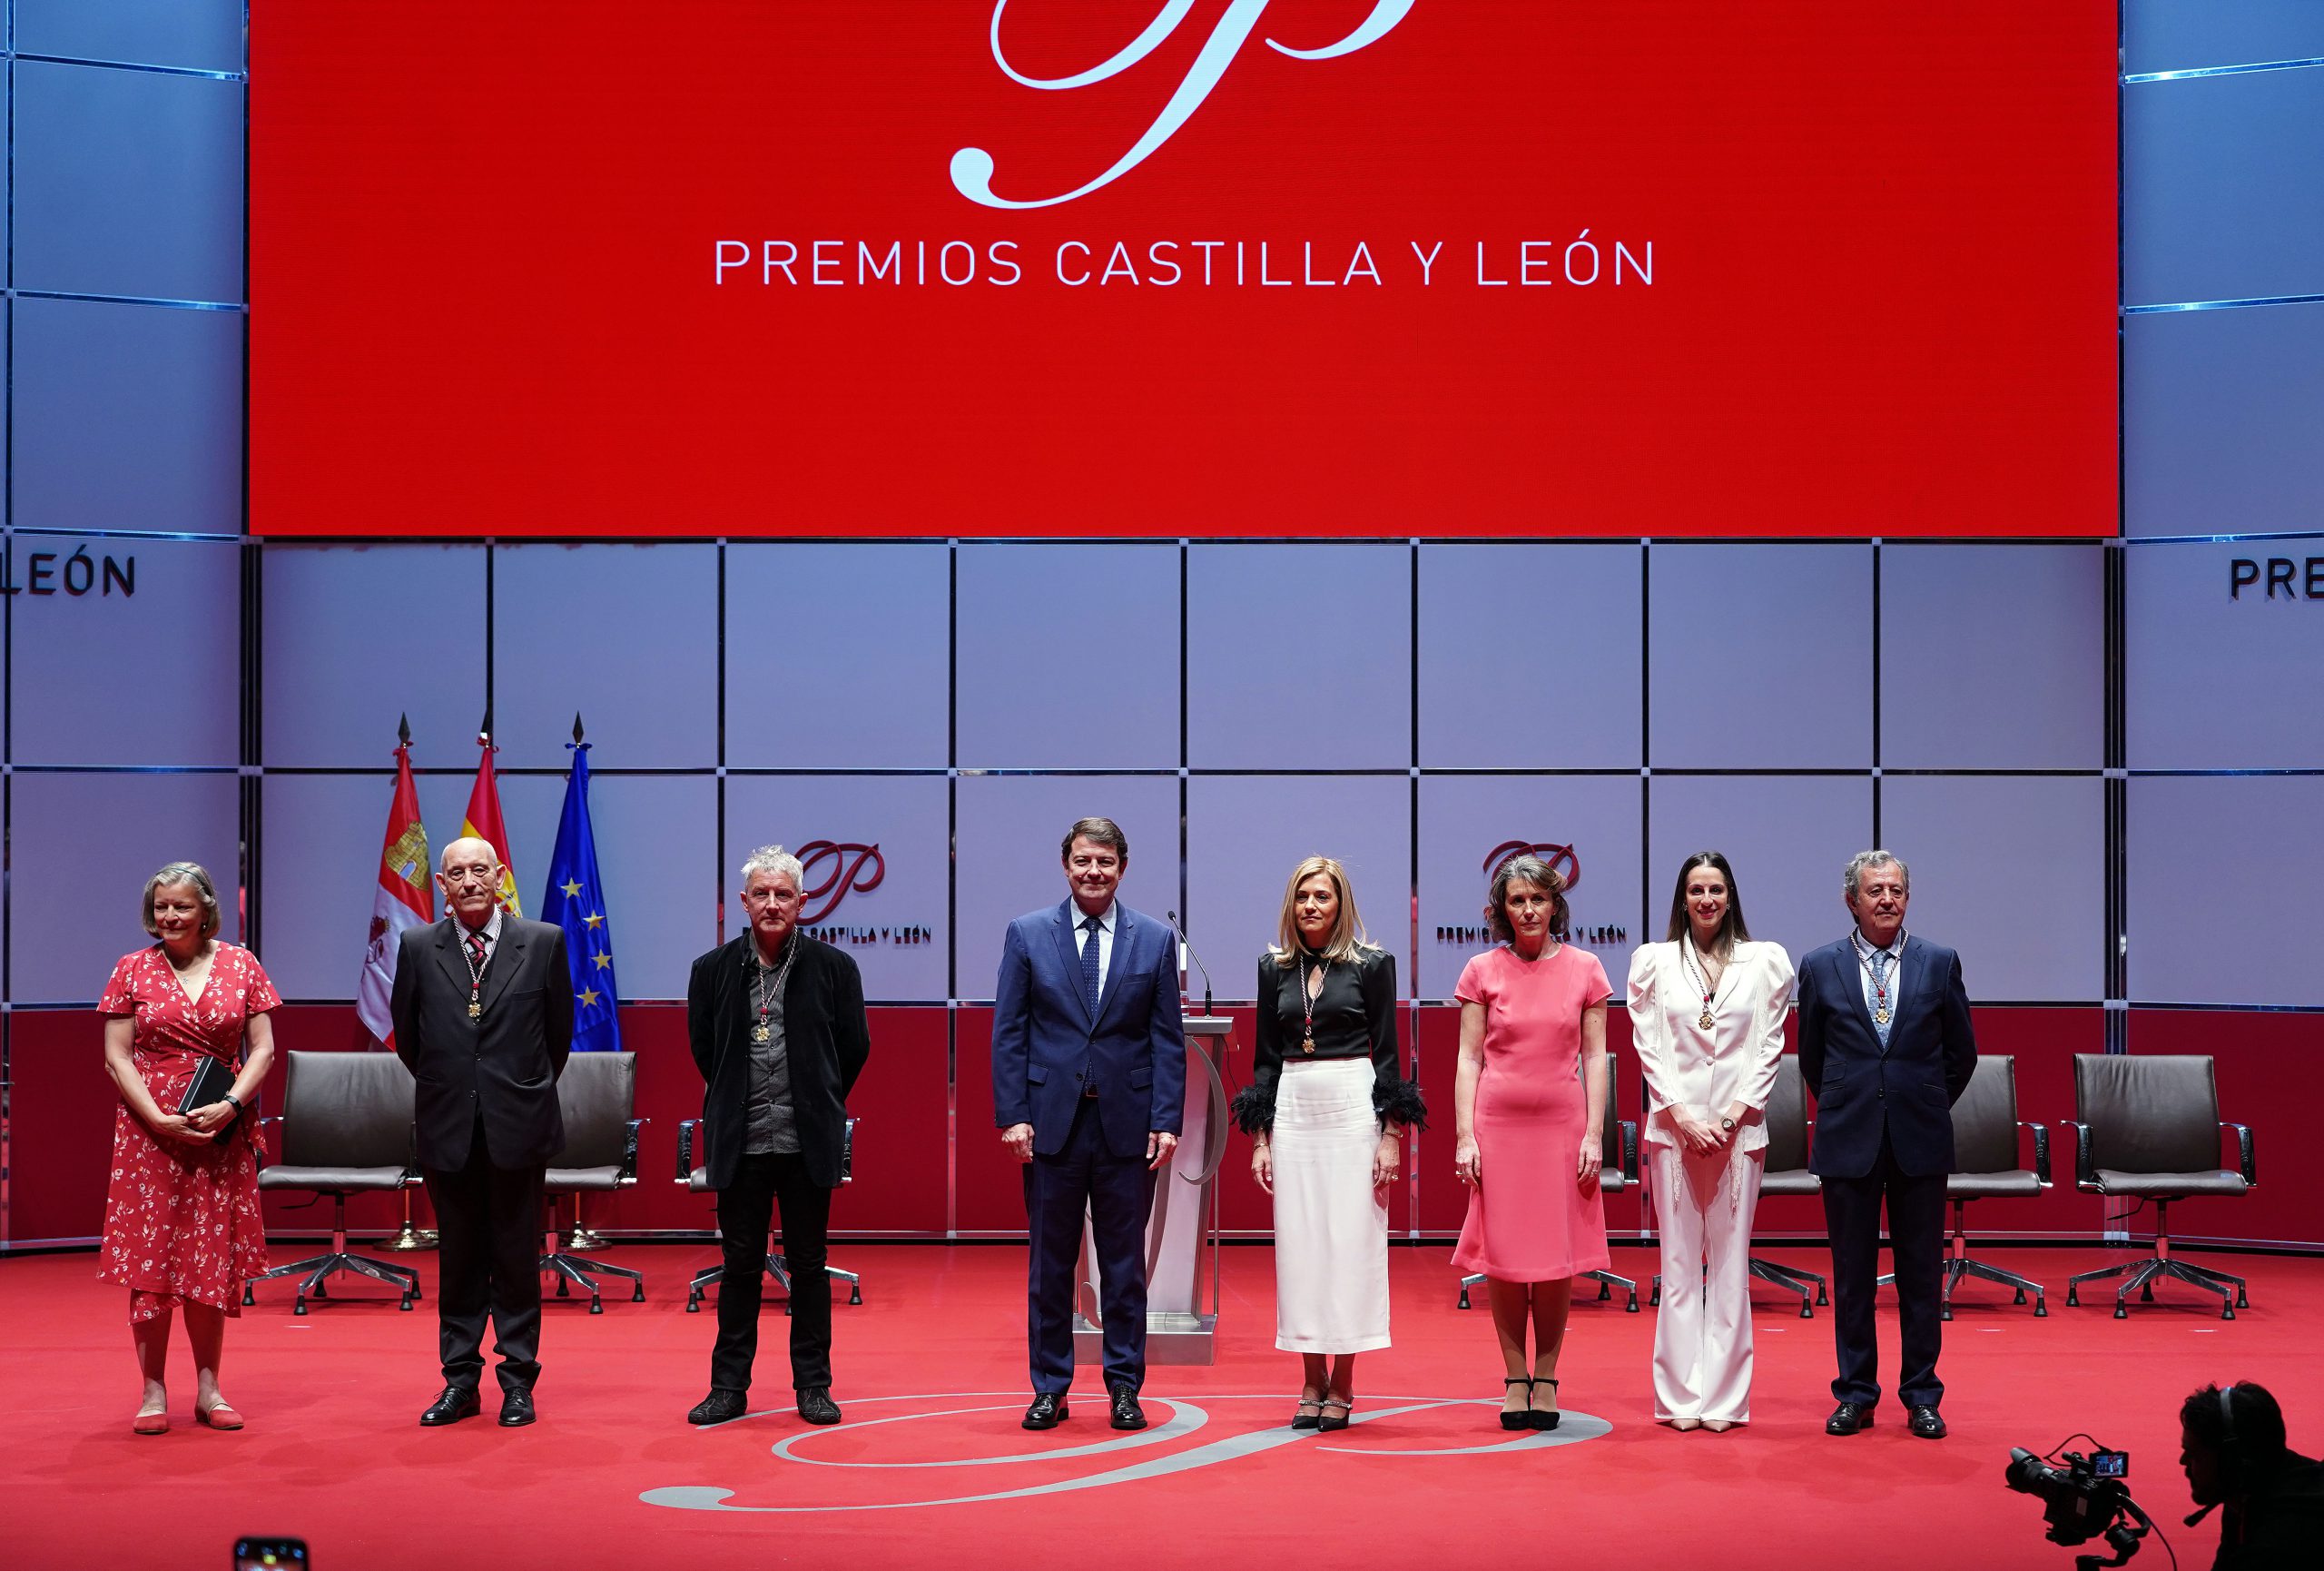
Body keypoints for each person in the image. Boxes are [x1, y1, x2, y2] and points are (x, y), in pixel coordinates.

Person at [992, 816, 1186, 1433]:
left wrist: (1166, 1118)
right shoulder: (1027, 935)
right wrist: (1013, 1114)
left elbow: (1166, 1039)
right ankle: (1050, 1388)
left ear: (1122, 868)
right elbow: (1010, 1033)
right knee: (1050, 1266)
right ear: (1065, 864)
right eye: (1082, 860)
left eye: (1104, 861)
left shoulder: (1154, 940)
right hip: (1050, 1124)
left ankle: (1125, 1387)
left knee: (1124, 1269)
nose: (1093, 871)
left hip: (1127, 1127)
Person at [1233, 856, 1425, 1432]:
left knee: (1351, 1246)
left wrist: (1391, 1134)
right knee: (1301, 1248)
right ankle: (1310, 1378)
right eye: (1302, 897)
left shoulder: (1373, 964)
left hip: (1352, 1107)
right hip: (1294, 1108)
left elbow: (1389, 1055)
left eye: (1323, 896)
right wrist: (1260, 1139)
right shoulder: (1273, 968)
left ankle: (1343, 1382)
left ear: (1342, 905)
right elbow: (1266, 1060)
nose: (1311, 906)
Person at [684, 845, 872, 1428]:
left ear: (802, 903)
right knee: (740, 1266)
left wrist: (819, 1094)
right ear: (743, 902)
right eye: (761, 894)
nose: (771, 904)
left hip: (804, 1139)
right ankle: (728, 1388)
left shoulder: (833, 967)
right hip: (740, 1140)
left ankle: (813, 1386)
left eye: (783, 895)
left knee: (809, 1266)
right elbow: (704, 1050)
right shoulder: (712, 968)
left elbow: (854, 1046)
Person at [391, 836, 574, 1428]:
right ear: (440, 885)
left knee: (518, 1260)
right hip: (448, 1125)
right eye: (456, 873)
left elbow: (557, 1038)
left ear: (499, 877)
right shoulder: (418, 947)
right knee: (461, 1260)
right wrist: (458, 1089)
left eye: (479, 870)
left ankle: (518, 1382)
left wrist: (511, 1091)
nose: (469, 880)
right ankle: (460, 1382)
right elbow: (410, 1038)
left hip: (518, 1124)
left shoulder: (542, 942)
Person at [1797, 849, 1975, 1440]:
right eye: (1874, 891)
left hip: (1919, 1138)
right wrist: (1854, 1101)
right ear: (1852, 900)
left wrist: (1921, 1099)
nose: (1887, 900)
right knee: (1852, 1277)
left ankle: (1922, 1395)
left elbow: (1962, 1054)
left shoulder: (1939, 961)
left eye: (1896, 890)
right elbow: (1814, 1057)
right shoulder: (1821, 966)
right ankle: (1856, 1394)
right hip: (1849, 1137)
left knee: (1920, 1276)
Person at [98, 862, 280, 1435]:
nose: (169, 917)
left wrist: (230, 1106)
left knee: (209, 1259)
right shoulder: (131, 968)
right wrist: (154, 1117)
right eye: (160, 908)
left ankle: (209, 1389)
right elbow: (116, 1056)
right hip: (149, 1136)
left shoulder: (242, 964)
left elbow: (263, 1050)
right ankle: (153, 1392)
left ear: (206, 910)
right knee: (151, 1265)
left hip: (218, 1132)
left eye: (181, 907)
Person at [1627, 852, 1792, 1433]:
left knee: (1728, 1269)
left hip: (1739, 1133)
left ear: (1730, 896)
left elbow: (1769, 1044)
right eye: (1696, 890)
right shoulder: (1654, 961)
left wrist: (1733, 1113)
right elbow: (1648, 1047)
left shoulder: (1764, 960)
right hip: (1674, 1134)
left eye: (1716, 889)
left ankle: (1724, 1401)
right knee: (1677, 1267)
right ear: (1682, 897)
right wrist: (1681, 1115)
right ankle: (1678, 1399)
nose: (1706, 900)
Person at [1451, 853, 1610, 1431]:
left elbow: (1596, 1058)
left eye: (1538, 899)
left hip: (1562, 1130)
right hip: (1498, 1128)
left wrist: (1594, 1133)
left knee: (1555, 1260)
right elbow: (1469, 1058)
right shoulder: (1480, 971)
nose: (1528, 910)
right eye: (1517, 901)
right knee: (1504, 1259)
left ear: (1555, 904)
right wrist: (1465, 1136)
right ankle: (1515, 1378)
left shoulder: (1587, 968)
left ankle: (1547, 1377)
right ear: (1502, 910)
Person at [2181, 1381, 2324, 1569]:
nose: (2183, 1461)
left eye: (2194, 1454)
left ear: (2234, 1464)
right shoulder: (2244, 1494)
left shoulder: (2272, 1550)